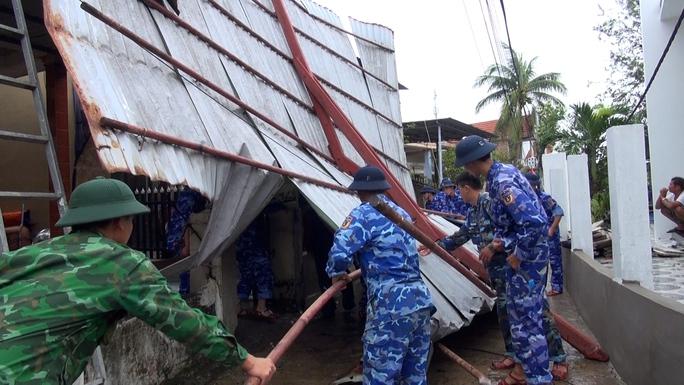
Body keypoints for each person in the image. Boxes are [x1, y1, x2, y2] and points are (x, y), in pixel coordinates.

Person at [0, 177, 275, 384]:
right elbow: (184, 321)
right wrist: (248, 361)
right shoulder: (122, 264)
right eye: (131, 220)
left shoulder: (33, 253)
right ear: (121, 223)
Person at [424, 172, 568, 382]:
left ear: (465, 188)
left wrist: (494, 246)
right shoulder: (473, 212)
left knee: (538, 312)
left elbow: (513, 230)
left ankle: (559, 357)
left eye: (457, 189)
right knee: (506, 314)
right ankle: (514, 356)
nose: (456, 193)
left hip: (514, 267)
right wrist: (434, 247)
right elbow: (462, 235)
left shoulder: (491, 203)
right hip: (497, 273)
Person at [455, 136, 553, 385]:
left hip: (527, 260)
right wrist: (502, 244)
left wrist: (517, 255)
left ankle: (540, 378)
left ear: (473, 162)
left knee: (529, 321)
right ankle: (523, 373)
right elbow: (512, 225)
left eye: (466, 164)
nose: (467, 170)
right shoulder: (500, 176)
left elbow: (534, 223)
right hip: (523, 257)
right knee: (518, 317)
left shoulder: (502, 182)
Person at [327, 165, 435, 385]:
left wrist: (337, 273)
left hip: (391, 305)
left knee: (380, 376)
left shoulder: (364, 213)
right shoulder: (401, 214)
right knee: (415, 376)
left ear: (359, 191)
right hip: (420, 300)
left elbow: (340, 251)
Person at [525, 173, 565, 296]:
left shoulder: (544, 198)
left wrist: (552, 229)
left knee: (554, 261)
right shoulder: (526, 199)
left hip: (549, 236)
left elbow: (559, 212)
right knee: (539, 264)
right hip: (537, 238)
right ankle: (538, 289)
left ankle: (557, 288)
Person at [236, 216, 277, 322]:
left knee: (245, 276)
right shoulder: (255, 214)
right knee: (263, 274)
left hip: (242, 247)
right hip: (255, 247)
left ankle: (240, 307)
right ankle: (261, 308)